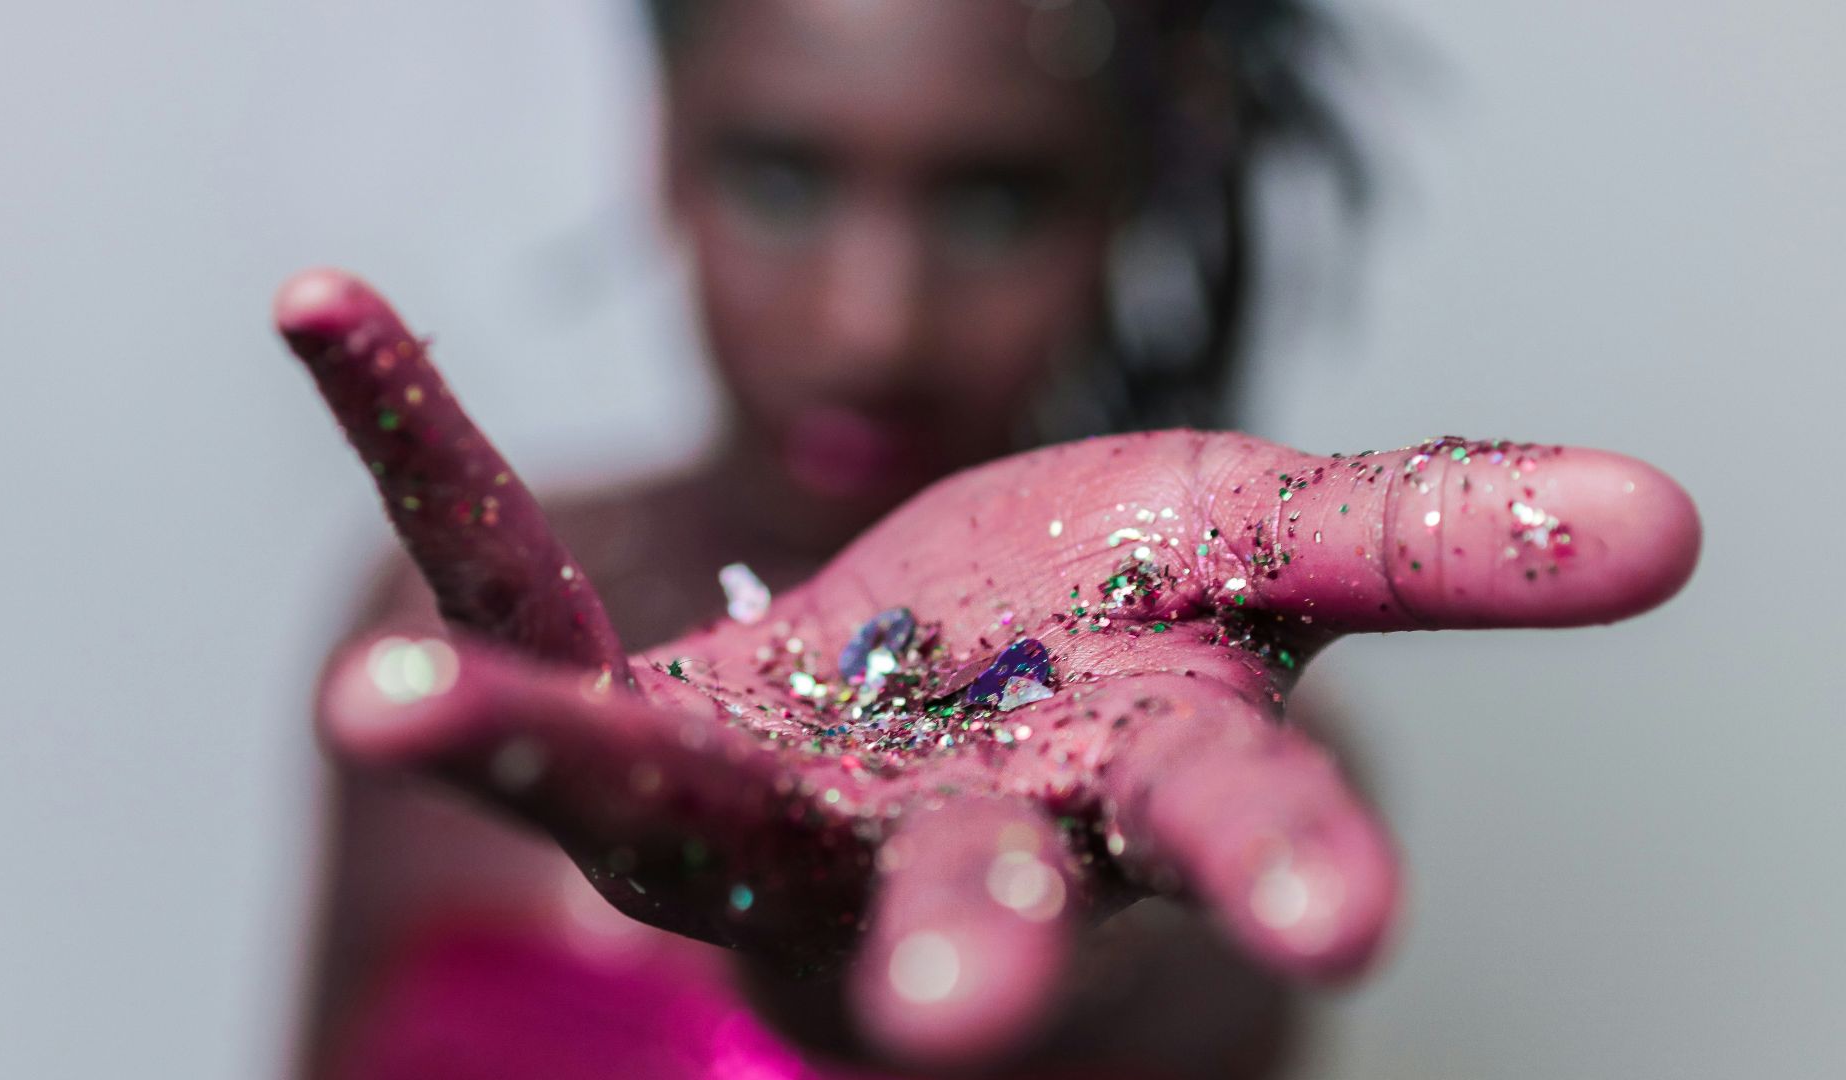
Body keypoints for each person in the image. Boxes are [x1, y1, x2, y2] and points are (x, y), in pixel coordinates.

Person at [277, 2, 1700, 1078]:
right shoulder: (432, 633)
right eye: (783, 176)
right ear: (665, 140)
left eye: (994, 200)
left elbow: (1095, 1007)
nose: (871, 326)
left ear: (1129, 198)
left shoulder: (1205, 768)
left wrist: (844, 958)